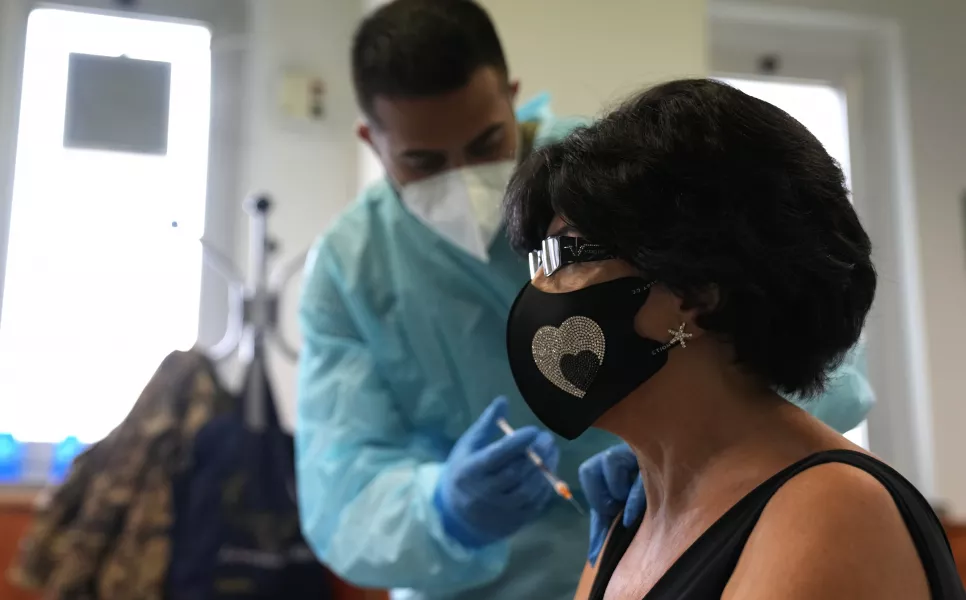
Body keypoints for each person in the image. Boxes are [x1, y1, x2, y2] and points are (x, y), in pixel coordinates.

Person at [295, 1, 876, 599]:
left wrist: (697, 460)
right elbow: (344, 491)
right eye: (424, 161)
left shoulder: (602, 184)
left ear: (511, 97)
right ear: (372, 140)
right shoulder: (351, 269)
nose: (464, 178)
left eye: (486, 142)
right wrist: (445, 507)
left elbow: (813, 353)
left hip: (689, 542)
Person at [503, 78, 964, 600]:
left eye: (572, 253)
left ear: (700, 292)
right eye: (540, 259)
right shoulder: (629, 521)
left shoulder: (830, 510)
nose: (539, 289)